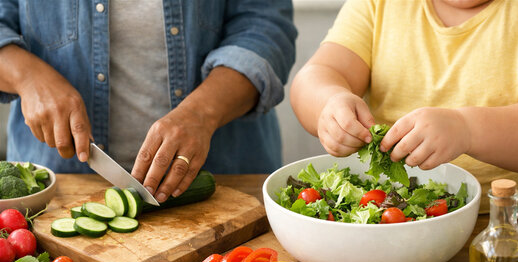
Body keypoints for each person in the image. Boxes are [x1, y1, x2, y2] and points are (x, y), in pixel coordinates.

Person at [0, 1, 296, 202]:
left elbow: (266, 27)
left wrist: (202, 113)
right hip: (57, 192)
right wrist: (27, 77)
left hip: (228, 181)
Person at [290, 0, 518, 212]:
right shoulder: (379, 5)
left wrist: (467, 129)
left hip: (509, 222)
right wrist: (328, 105)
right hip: (388, 213)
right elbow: (317, 75)